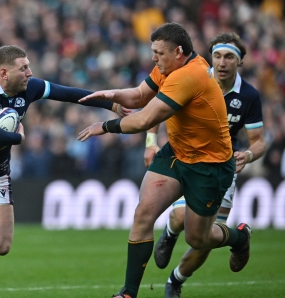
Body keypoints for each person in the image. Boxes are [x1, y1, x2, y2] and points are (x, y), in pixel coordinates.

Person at [0, 45, 129, 298]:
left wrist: (110, 105)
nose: (30, 72)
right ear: (4, 73)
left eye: (28, 66)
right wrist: (18, 138)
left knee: (2, 246)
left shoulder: (28, 88)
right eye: (24, 68)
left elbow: (70, 94)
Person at [77, 23, 251, 298]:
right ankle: (128, 293)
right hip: (177, 153)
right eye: (153, 52)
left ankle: (240, 238)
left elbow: (145, 118)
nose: (154, 58)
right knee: (143, 214)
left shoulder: (189, 76)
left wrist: (106, 126)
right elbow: (138, 96)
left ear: (179, 52)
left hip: (210, 164)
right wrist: (111, 94)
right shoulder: (169, 66)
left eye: (158, 52)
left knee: (198, 238)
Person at [144, 32, 266, 298]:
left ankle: (175, 280)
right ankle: (169, 232)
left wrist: (248, 155)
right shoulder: (193, 76)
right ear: (211, 58)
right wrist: (151, 141)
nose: (222, 62)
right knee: (178, 217)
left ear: (240, 62)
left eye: (229, 57)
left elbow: (259, 141)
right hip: (185, 160)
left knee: (204, 239)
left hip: (221, 168)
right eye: (218, 56)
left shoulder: (248, 96)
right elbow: (155, 108)